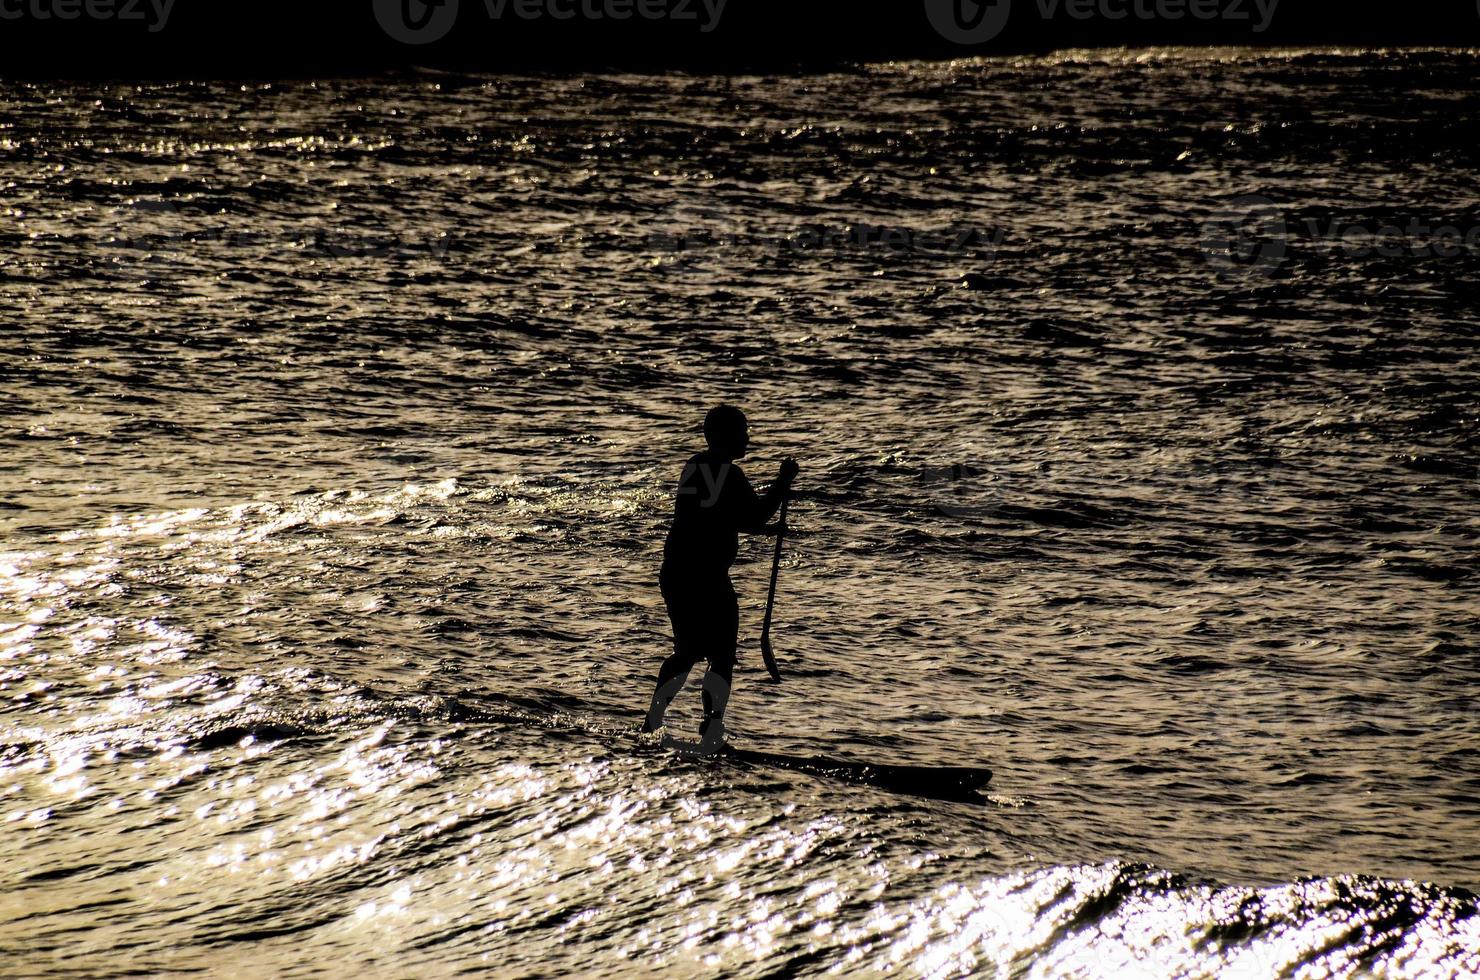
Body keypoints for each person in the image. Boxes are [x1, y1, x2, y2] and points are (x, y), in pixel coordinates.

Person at [641, 405, 799, 753]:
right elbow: (753, 514)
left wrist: (764, 527)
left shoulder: (697, 466)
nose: (747, 437)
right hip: (701, 577)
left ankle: (660, 721)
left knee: (693, 653)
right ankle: (707, 730)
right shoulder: (729, 474)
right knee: (713, 655)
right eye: (742, 431)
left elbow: (720, 516)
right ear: (724, 436)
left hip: (684, 574)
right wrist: (782, 483)